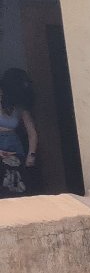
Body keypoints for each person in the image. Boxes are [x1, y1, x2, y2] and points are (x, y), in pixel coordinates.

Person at [0, 69, 38, 198]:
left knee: (16, 181)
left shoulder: (19, 108)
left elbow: (32, 133)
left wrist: (31, 155)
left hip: (14, 146)